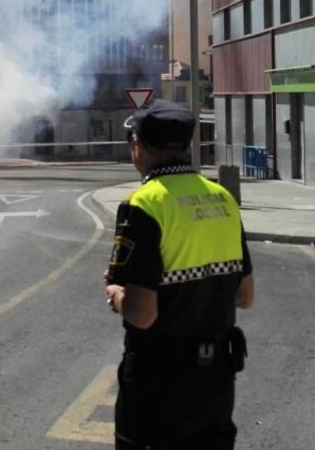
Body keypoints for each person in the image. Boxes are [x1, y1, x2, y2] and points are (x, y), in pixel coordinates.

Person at [104, 99, 254, 450]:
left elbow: (143, 315)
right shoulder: (222, 199)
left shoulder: (143, 204)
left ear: (138, 148)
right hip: (216, 380)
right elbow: (245, 297)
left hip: (158, 380)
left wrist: (115, 293)